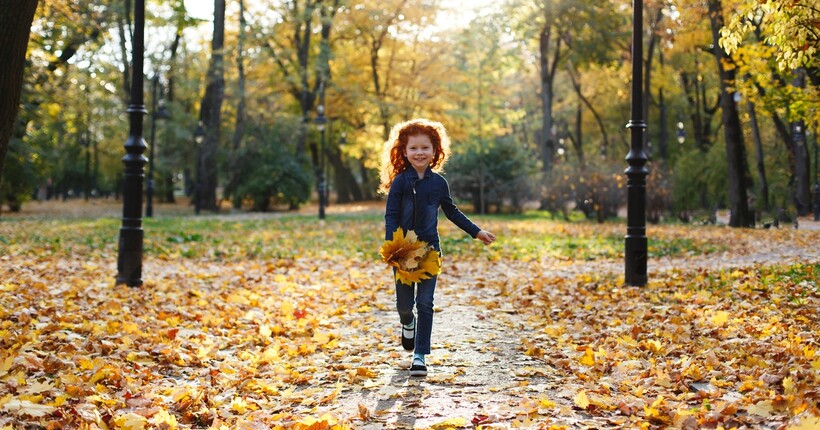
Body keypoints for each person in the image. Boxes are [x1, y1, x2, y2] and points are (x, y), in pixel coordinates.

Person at [379, 118, 496, 377]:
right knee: (405, 306)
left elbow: (452, 212)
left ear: (435, 151)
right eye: (413, 148)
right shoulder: (400, 182)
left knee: (425, 303)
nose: (419, 153)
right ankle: (407, 324)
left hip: (430, 250)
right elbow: (391, 215)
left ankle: (419, 356)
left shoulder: (439, 183)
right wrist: (393, 246)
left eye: (425, 148)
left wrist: (476, 232)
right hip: (403, 251)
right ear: (404, 151)